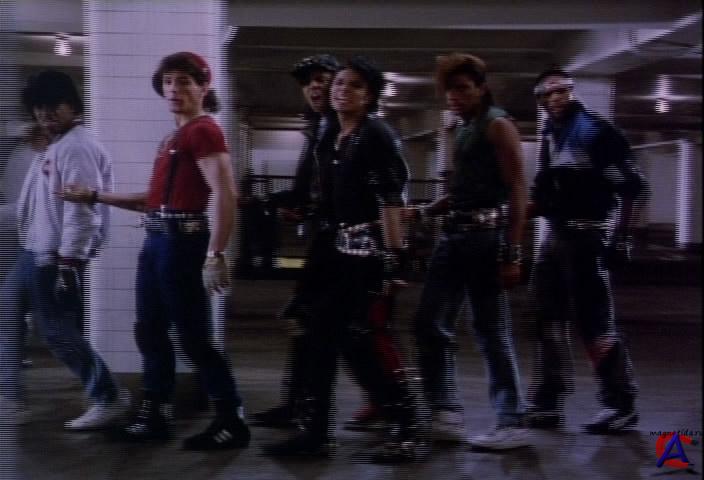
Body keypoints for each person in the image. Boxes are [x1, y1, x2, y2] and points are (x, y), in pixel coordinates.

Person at [59, 51, 249, 450]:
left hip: (181, 244)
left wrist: (216, 253)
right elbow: (155, 201)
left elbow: (225, 194)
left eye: (184, 81)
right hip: (159, 240)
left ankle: (230, 418)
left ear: (204, 86)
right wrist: (94, 195)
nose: (174, 89)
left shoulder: (203, 131)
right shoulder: (175, 137)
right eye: (168, 82)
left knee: (193, 337)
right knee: (149, 330)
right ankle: (156, 413)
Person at [263, 57, 425, 463]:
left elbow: (391, 200)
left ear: (369, 95)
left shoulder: (376, 135)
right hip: (335, 252)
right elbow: (327, 199)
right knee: (318, 337)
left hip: (367, 255)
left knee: (358, 343)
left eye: (353, 85)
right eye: (338, 83)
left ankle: (407, 426)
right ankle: (316, 433)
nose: (340, 90)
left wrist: (394, 260)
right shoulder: (333, 135)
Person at [252, 54, 387, 433]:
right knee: (315, 324)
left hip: (353, 247)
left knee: (343, 331)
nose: (315, 87)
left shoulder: (352, 133)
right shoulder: (321, 129)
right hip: (329, 242)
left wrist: (390, 258)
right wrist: (287, 205)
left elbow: (378, 196)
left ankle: (389, 407)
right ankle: (302, 407)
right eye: (308, 81)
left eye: (324, 80)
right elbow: (311, 192)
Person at [410, 53, 529, 450]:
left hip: (485, 240)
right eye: (449, 90)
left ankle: (511, 421)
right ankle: (446, 412)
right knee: (429, 323)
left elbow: (517, 189)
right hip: (454, 237)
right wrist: (426, 211)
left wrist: (513, 252)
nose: (454, 97)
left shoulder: (497, 125)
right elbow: (461, 191)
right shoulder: (464, 128)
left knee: (491, 331)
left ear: (481, 88)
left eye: (462, 89)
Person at [0, 70, 128, 430]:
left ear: (71, 105)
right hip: (36, 250)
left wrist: (69, 262)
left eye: (54, 105)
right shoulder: (56, 145)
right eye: (39, 107)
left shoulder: (76, 147)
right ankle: (9, 395)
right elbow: (36, 205)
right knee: (8, 310)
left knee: (57, 332)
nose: (46, 113)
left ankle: (108, 396)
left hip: (54, 255)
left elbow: (81, 211)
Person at [526, 67, 646, 433]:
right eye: (548, 94)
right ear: (540, 100)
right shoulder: (550, 134)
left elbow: (633, 188)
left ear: (572, 92)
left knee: (594, 323)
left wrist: (622, 239)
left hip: (587, 238)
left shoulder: (595, 132)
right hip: (555, 237)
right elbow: (544, 194)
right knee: (547, 319)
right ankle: (548, 402)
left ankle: (620, 404)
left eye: (562, 91)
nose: (555, 99)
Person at [1, 123, 52, 369]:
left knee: (16, 298)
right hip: (20, 232)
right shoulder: (24, 156)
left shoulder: (37, 157)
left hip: (27, 234)